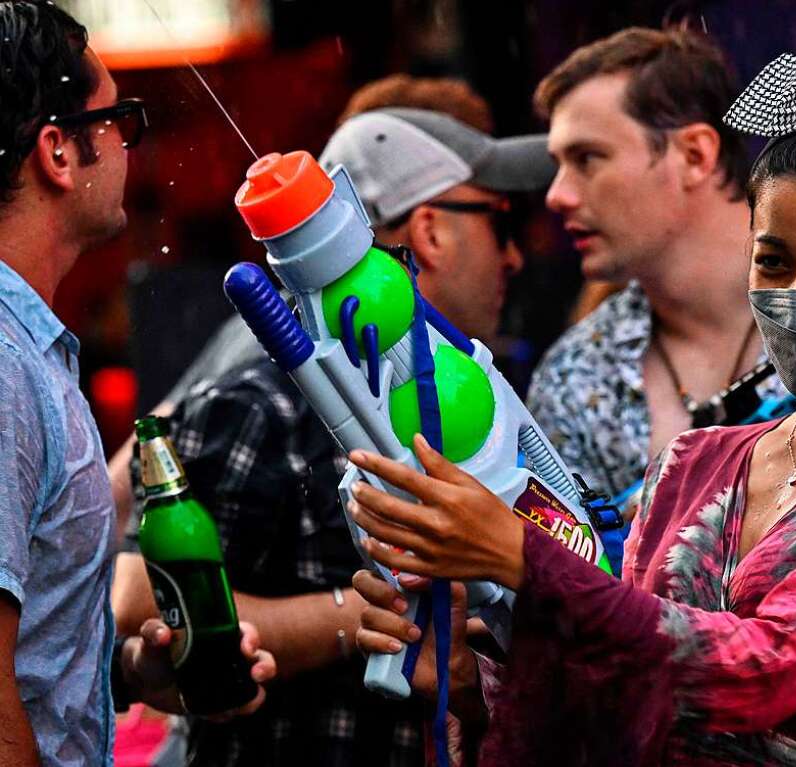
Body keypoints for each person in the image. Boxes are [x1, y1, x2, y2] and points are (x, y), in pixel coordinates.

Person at [348, 44, 796, 766]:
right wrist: (480, 648)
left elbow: (761, 669)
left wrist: (521, 561)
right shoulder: (694, 460)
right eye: (774, 260)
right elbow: (609, 693)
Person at [110, 79, 553, 766]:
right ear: (429, 231)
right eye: (499, 218)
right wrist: (360, 617)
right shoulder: (262, 401)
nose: (515, 253)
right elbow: (141, 600)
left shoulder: (481, 399)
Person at [0, 3, 272, 766]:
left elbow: (30, 654)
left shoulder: (32, 348)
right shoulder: (4, 365)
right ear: (59, 152)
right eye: (117, 118)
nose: (127, 143)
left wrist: (126, 672)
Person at [525, 25, 784, 504]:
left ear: (694, 154)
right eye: (559, 164)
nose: (556, 195)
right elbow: (565, 573)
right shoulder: (575, 376)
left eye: (587, 158)